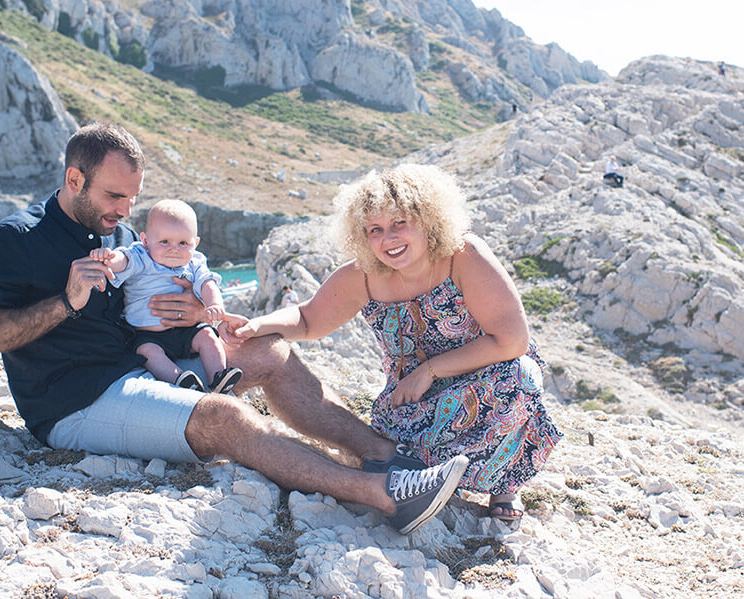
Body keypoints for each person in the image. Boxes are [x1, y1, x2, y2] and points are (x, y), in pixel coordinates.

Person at [0, 122, 468, 535]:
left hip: (140, 366)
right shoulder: (15, 240)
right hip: (74, 402)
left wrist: (197, 314)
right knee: (223, 416)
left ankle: (387, 457)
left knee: (270, 351)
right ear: (74, 180)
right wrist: (64, 303)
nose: (125, 212)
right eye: (115, 196)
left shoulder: (125, 236)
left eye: (133, 199)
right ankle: (383, 497)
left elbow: (162, 299)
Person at [227, 164, 562, 522]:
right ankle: (427, 478)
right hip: (412, 399)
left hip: (490, 379)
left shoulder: (464, 257)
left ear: (428, 220)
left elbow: (511, 340)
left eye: (400, 223)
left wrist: (429, 371)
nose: (388, 239)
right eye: (375, 230)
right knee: (391, 447)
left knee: (521, 376)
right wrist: (257, 325)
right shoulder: (363, 276)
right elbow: (309, 319)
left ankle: (504, 484)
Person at [89, 199, 241, 394]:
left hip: (188, 330)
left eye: (183, 243)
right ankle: (179, 378)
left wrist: (214, 304)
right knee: (148, 353)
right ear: (145, 241)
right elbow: (124, 260)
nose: (174, 249)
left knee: (209, 337)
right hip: (148, 335)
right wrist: (109, 259)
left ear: (195, 243)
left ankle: (218, 377)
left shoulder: (195, 262)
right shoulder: (142, 256)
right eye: (164, 242)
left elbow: (207, 282)